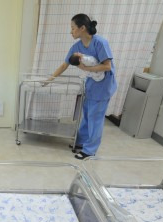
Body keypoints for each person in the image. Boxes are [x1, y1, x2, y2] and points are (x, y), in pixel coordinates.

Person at [50, 14, 117, 160]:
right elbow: (64, 64)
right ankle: (81, 142)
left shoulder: (100, 43)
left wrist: (86, 69)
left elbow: (107, 66)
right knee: (87, 114)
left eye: (73, 28)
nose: (71, 31)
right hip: (91, 84)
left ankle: (90, 150)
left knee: (95, 118)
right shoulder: (77, 46)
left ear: (82, 28)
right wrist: (51, 78)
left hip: (103, 85)